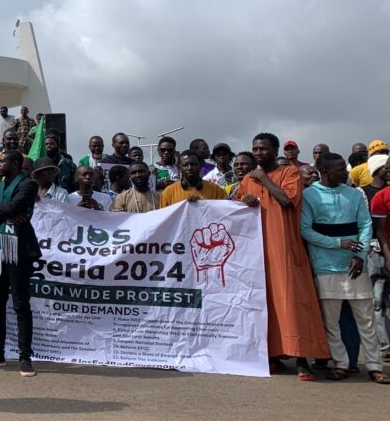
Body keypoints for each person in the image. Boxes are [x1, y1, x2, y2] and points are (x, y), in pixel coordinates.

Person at [237, 133, 329, 379]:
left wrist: (264, 179)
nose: (258, 153)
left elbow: (287, 201)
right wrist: (244, 198)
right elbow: (236, 209)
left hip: (285, 248)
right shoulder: (247, 179)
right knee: (264, 303)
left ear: (275, 150)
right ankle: (272, 355)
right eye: (255, 148)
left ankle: (302, 359)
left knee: (292, 301)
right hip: (257, 251)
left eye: (264, 149)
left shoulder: (290, 173)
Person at [301, 153, 389, 383]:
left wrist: (360, 255)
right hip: (325, 264)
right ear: (326, 172)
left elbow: (366, 224)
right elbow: (306, 230)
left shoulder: (355, 193)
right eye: (341, 169)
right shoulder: (310, 195)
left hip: (355, 265)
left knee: (366, 318)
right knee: (331, 321)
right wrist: (337, 243)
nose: (346, 172)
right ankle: (340, 363)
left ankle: (374, 365)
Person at [0, 150, 38, 377]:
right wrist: (5, 215)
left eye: (3, 161)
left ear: (15, 164)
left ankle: (25, 357)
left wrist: (2, 212)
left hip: (19, 249)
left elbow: (16, 208)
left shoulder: (28, 185)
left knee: (21, 303)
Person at [159, 152, 228, 207]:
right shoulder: (168, 193)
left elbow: (224, 213)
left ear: (200, 166)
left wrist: (202, 205)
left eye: (193, 164)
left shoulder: (216, 190)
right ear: (179, 167)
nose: (190, 168)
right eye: (185, 165)